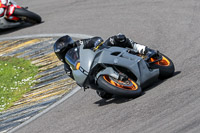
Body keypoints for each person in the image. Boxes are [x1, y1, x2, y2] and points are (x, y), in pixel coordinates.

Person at [54, 34, 157, 78]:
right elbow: (78, 79)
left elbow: (94, 39)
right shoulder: (67, 67)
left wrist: (96, 42)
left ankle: (144, 50)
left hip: (104, 54)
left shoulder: (79, 43)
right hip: (95, 72)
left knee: (117, 38)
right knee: (104, 95)